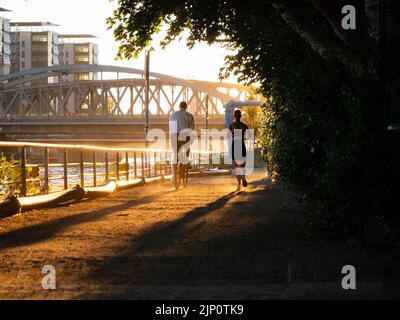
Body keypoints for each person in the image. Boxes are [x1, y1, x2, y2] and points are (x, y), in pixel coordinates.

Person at [169, 101, 195, 183]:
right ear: (186, 107)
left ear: (179, 106)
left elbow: (171, 127)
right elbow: (192, 128)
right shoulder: (189, 115)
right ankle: (186, 161)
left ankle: (173, 176)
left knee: (175, 155)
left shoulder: (173, 115)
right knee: (187, 148)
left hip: (174, 136)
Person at [229, 110, 249, 191]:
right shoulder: (244, 126)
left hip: (234, 146)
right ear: (240, 116)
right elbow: (249, 136)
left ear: (234, 116)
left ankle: (239, 185)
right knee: (242, 166)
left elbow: (229, 135)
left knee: (237, 166)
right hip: (242, 145)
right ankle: (243, 178)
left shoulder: (231, 126)